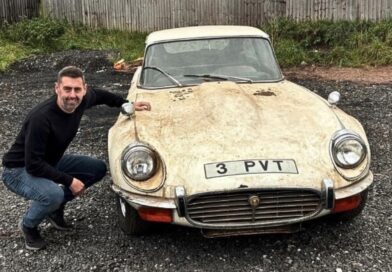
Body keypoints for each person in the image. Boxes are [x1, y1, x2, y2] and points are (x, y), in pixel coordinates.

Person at [1, 66, 151, 250]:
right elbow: (33, 165)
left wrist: (125, 103)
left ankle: (55, 210)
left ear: (84, 89)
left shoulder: (83, 100)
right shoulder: (41, 118)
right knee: (53, 194)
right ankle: (28, 226)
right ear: (57, 88)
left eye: (77, 89)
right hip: (18, 170)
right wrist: (69, 181)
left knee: (97, 168)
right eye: (67, 89)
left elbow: (102, 95)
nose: (72, 95)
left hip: (48, 162)